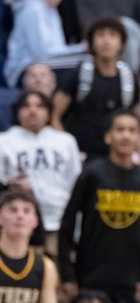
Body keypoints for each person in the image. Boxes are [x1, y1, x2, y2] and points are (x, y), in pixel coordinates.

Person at [58, 110, 140, 303]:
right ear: (108, 137)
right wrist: (68, 275)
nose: (125, 136)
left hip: (128, 278)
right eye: (120, 129)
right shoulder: (92, 173)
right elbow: (67, 224)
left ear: (139, 138)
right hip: (90, 275)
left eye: (132, 130)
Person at [0, 89, 81, 257]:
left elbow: (76, 182)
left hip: (58, 221)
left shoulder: (65, 141)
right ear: (18, 111)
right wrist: (10, 185)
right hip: (17, 223)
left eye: (39, 106)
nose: (33, 111)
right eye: (27, 106)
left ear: (49, 111)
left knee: (55, 273)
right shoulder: (4, 141)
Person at [53, 16, 139, 160]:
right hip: (79, 155)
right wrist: (68, 150)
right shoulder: (75, 75)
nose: (106, 41)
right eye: (100, 35)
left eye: (112, 35)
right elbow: (55, 116)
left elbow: (137, 120)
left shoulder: (130, 80)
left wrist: (139, 154)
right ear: (91, 43)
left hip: (116, 158)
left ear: (122, 43)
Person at [3, 0, 84, 86]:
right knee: (85, 67)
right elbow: (42, 53)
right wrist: (80, 49)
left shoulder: (51, 11)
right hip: (26, 69)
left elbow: (55, 51)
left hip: (47, 63)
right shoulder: (34, 7)